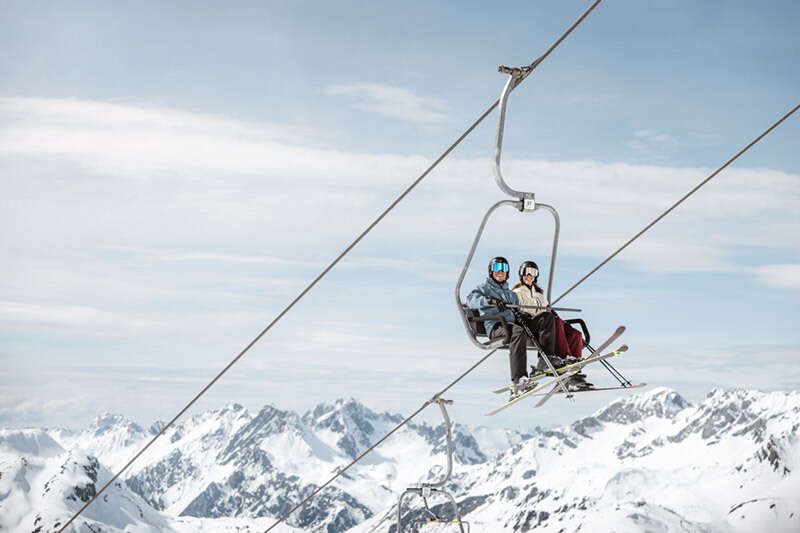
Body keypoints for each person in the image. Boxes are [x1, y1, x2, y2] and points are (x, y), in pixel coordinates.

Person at [466, 257, 557, 392]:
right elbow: (471, 300)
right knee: (518, 331)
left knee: (546, 318)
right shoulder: (484, 288)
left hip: (513, 324)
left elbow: (518, 311)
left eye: (504, 269)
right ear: (491, 271)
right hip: (497, 326)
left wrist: (523, 315)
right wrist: (490, 301)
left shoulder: (511, 294)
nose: (500, 272)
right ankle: (519, 379)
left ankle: (545, 360)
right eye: (497, 268)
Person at [512, 261, 584, 361]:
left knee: (576, 334)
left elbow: (548, 309)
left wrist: (554, 314)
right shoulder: (517, 292)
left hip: (547, 322)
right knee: (555, 322)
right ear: (521, 274)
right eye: (526, 272)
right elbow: (520, 311)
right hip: (533, 324)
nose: (529, 275)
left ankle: (575, 363)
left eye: (533, 272)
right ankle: (563, 357)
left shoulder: (539, 295)